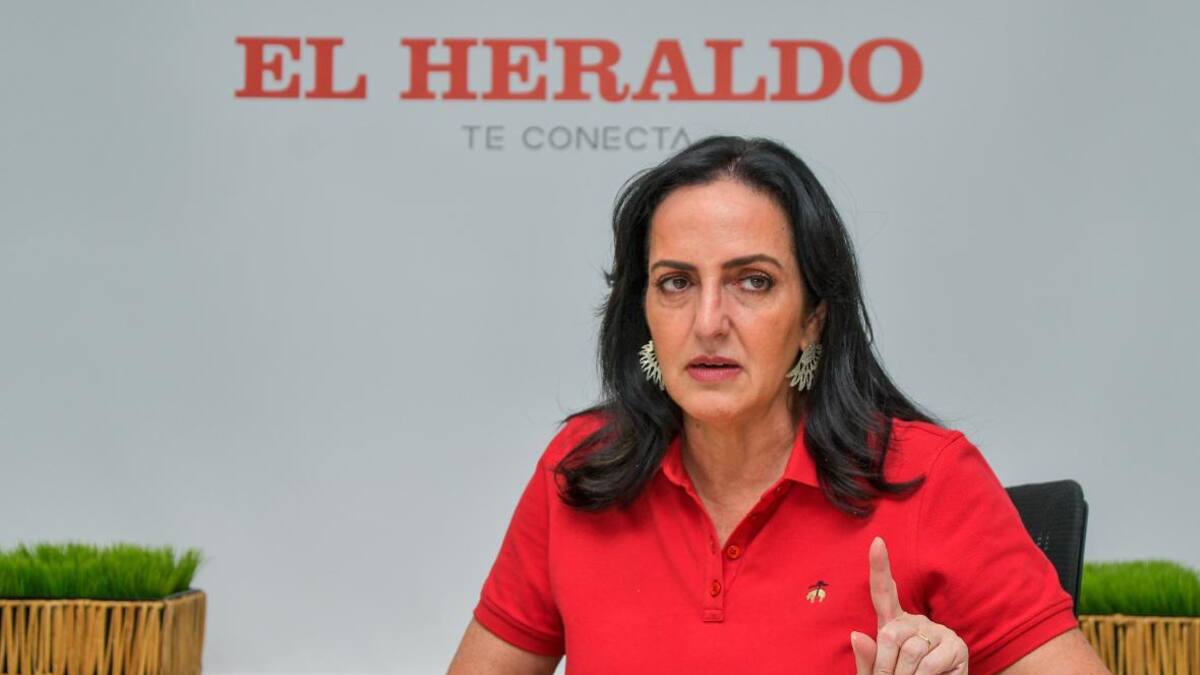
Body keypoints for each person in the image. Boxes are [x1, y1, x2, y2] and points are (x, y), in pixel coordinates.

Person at [448, 136, 1111, 674]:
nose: (709, 322)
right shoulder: (581, 468)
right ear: (642, 311)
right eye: (676, 282)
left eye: (753, 282)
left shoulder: (932, 479)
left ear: (813, 317)